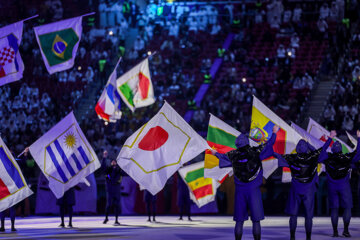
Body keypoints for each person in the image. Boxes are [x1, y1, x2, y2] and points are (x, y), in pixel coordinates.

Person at [211, 125, 279, 240]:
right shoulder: (255, 151)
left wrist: (214, 153)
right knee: (256, 220)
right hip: (254, 191)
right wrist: (274, 132)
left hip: (240, 191)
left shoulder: (233, 154)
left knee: (239, 221)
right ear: (247, 142)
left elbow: (221, 156)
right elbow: (269, 144)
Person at [273, 132, 334, 240]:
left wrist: (267, 144)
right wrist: (330, 138)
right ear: (307, 149)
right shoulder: (313, 157)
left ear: (297, 148)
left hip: (295, 189)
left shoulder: (291, 157)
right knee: (308, 216)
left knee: (293, 215)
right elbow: (322, 149)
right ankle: (308, 238)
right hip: (309, 190)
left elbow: (276, 154)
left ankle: (292, 237)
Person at [320, 130, 360, 237]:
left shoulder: (327, 157)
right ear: (341, 149)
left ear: (332, 149)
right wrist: (359, 138)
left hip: (332, 186)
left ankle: (335, 232)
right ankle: (346, 230)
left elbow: (322, 151)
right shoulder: (347, 157)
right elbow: (358, 153)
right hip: (344, 186)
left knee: (334, 208)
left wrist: (330, 138)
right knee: (347, 208)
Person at [102, 155, 123, 226]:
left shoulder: (119, 170)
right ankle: (106, 218)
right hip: (110, 190)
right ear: (111, 163)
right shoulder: (108, 170)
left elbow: (123, 173)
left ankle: (116, 220)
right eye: (112, 162)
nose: (113, 162)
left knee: (117, 205)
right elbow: (103, 169)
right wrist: (104, 158)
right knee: (108, 205)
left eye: (115, 161)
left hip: (116, 190)